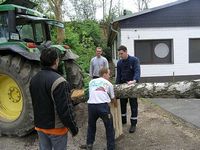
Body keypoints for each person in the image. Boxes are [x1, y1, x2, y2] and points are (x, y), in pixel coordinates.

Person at [29, 47, 78, 150]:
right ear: (56, 61)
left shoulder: (33, 80)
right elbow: (65, 110)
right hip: (56, 130)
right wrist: (73, 128)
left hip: (40, 127)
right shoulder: (59, 81)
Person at [81, 68, 116, 150]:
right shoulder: (109, 83)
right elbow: (113, 98)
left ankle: (89, 144)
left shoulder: (91, 82)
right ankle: (111, 147)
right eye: (108, 74)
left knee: (91, 125)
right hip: (102, 106)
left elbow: (92, 93)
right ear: (104, 74)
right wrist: (115, 104)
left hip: (91, 106)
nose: (109, 76)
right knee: (109, 127)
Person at [116, 45, 141, 133]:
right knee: (122, 105)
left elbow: (137, 71)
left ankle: (133, 124)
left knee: (133, 105)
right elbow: (118, 76)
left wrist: (134, 81)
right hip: (123, 86)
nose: (120, 56)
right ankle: (123, 121)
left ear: (126, 52)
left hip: (132, 86)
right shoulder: (119, 63)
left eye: (122, 53)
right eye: (119, 54)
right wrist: (117, 88)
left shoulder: (134, 60)